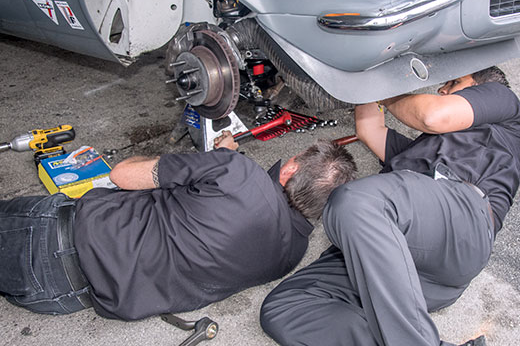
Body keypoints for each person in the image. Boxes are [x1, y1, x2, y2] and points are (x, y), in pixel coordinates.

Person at [260, 66, 518, 346]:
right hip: (403, 267)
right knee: (285, 308)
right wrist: (363, 71)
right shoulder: (416, 151)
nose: (442, 89)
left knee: (352, 202)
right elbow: (369, 128)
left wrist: (386, 94)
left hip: (460, 226)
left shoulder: (505, 105)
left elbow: (433, 115)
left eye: (454, 82)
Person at [0, 131, 356, 321]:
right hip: (61, 300)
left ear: (290, 170)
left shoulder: (235, 171)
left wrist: (219, 158)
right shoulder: (292, 253)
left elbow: (121, 173)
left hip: (45, 239)